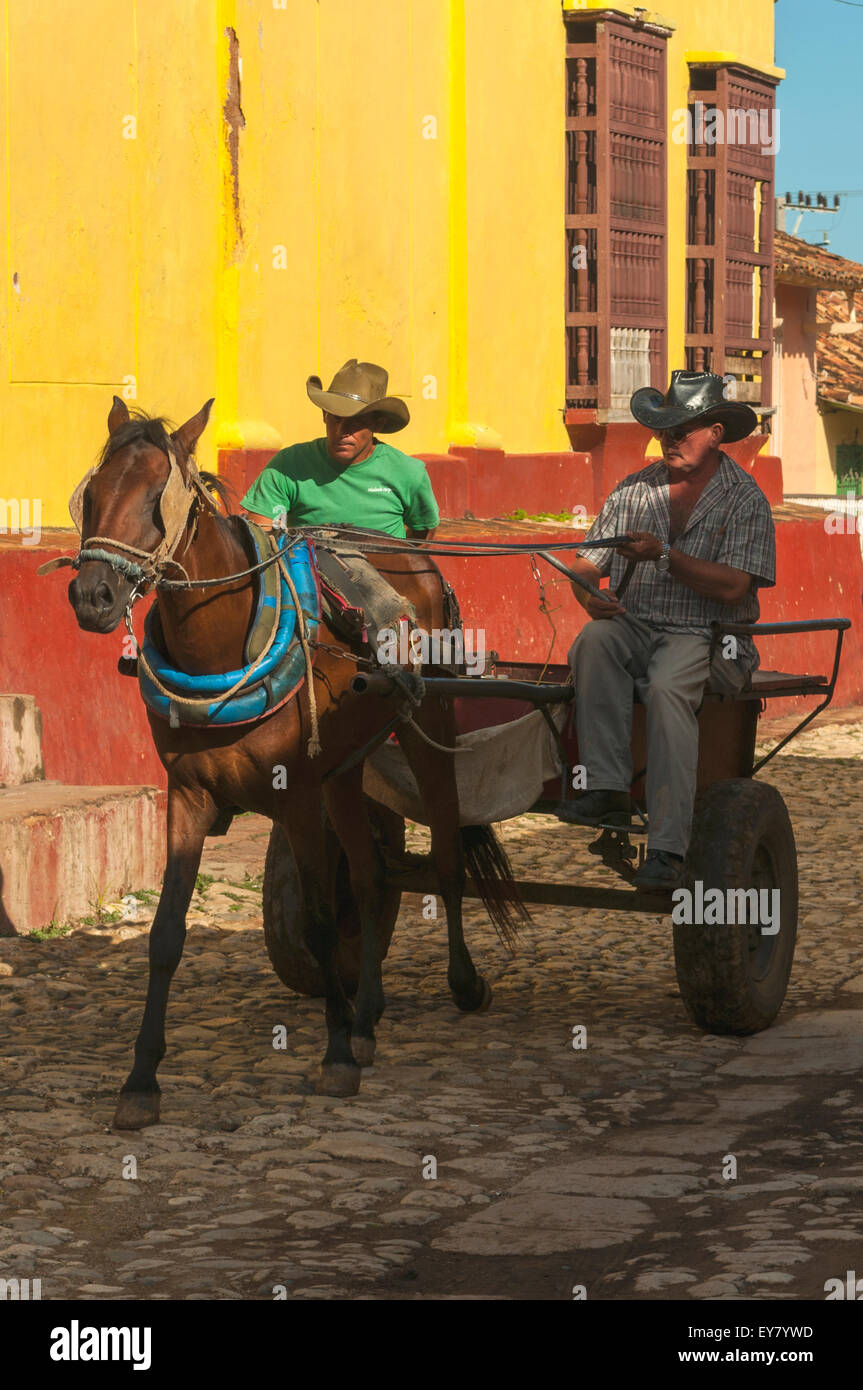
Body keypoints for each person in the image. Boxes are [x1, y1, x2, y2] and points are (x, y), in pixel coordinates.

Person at [561, 370, 776, 891]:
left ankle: (667, 846)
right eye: (663, 431)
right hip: (636, 626)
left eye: (681, 430)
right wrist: (590, 594)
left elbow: (733, 588)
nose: (669, 441)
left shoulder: (745, 498)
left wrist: (663, 554)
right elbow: (587, 565)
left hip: (709, 635)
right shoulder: (634, 490)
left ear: (716, 433)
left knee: (667, 686)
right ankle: (608, 788)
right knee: (593, 642)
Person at [242, 359, 439, 539]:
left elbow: (423, 533)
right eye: (336, 418)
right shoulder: (286, 467)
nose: (342, 431)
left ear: (378, 424)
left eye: (356, 421)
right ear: (324, 416)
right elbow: (261, 540)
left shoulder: (408, 473)